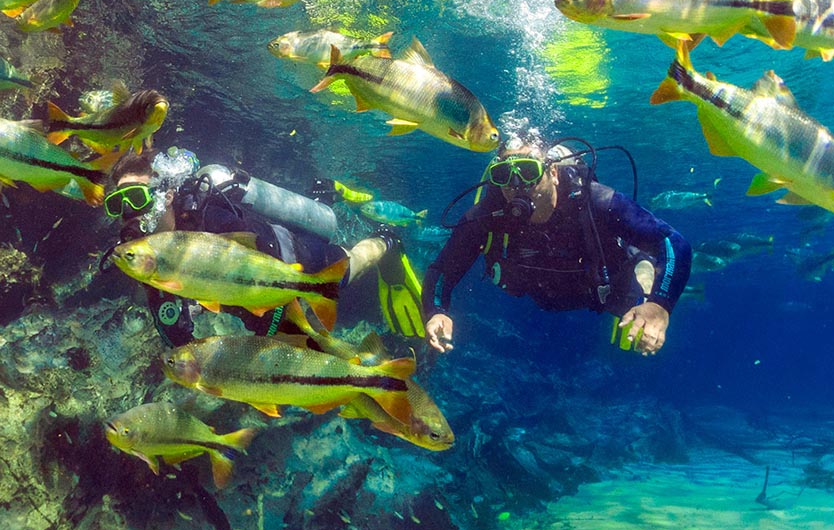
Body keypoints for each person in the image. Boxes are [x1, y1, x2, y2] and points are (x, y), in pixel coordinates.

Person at [104, 146, 424, 347]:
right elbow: (172, 322)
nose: (129, 213)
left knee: (346, 268)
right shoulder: (146, 252)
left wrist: (267, 327)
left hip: (293, 256)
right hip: (250, 291)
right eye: (117, 204)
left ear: (166, 195)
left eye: (136, 198)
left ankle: (386, 240)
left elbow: (264, 269)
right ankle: (321, 199)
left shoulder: (214, 220)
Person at [422, 137, 692, 356]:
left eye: (528, 171)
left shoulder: (596, 200)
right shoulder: (487, 215)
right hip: (545, 295)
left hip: (610, 288)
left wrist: (659, 305)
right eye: (504, 175)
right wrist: (436, 312)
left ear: (553, 172)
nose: (517, 187)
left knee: (631, 328)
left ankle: (641, 280)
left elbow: (673, 241)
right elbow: (442, 270)